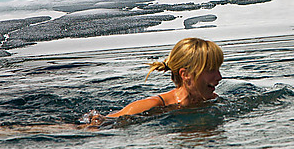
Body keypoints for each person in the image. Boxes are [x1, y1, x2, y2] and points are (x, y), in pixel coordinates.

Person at [83, 37, 223, 127]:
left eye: (218, 68)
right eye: (210, 70)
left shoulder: (212, 101)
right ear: (185, 74)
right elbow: (100, 122)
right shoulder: (153, 105)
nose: (219, 77)